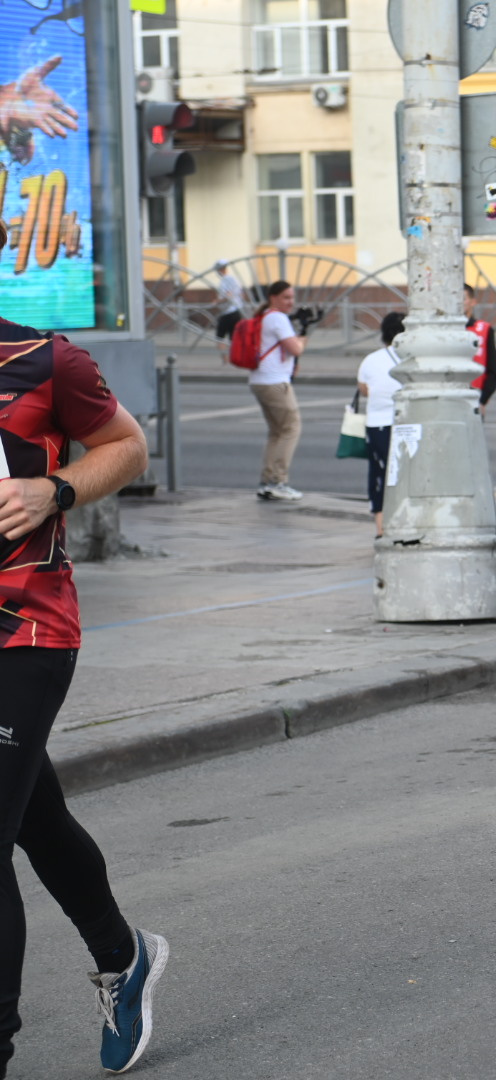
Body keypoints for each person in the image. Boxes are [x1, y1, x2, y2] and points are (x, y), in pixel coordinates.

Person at [0, 285, 169, 1076]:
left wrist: (53, 489)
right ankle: (122, 955)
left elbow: (128, 446)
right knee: (34, 816)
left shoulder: (45, 359)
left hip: (24, 627)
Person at [248, 280, 312, 501]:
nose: (291, 302)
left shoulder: (265, 316)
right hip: (275, 382)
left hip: (260, 380)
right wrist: (303, 336)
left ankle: (267, 482)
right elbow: (295, 348)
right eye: (286, 297)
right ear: (273, 297)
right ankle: (278, 482)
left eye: (292, 297)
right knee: (291, 429)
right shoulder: (278, 318)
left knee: (277, 432)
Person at [357, 312, 405, 537]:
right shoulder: (413, 358)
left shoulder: (371, 359)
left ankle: (381, 529)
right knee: (405, 475)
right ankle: (405, 523)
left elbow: (364, 389)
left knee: (379, 475)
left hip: (377, 426)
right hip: (407, 425)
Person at [465, 283, 496, 413]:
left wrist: (483, 400)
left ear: (472, 302)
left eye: (463, 298)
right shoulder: (443, 330)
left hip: (475, 395)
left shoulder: (484, 329)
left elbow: (493, 370)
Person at [213, 258, 246, 353]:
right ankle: (234, 357)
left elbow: (228, 296)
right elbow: (241, 294)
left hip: (228, 312)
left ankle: (226, 359)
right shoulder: (233, 279)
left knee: (220, 337)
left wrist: (217, 301)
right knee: (233, 337)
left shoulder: (226, 280)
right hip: (236, 311)